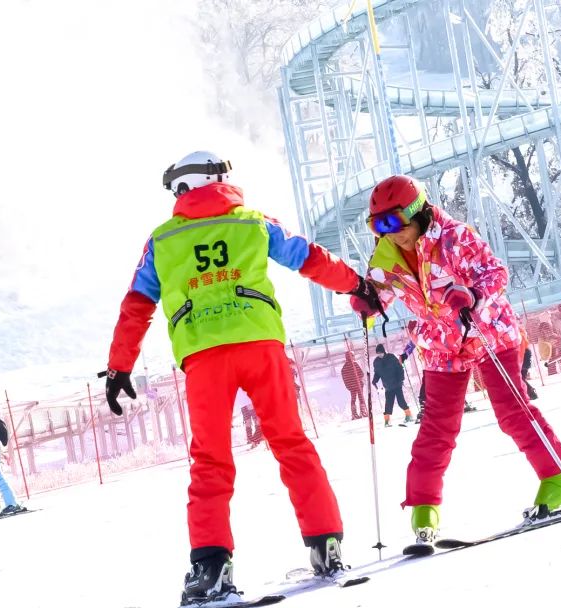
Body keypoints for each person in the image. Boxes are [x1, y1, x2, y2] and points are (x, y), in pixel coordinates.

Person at [102, 152, 380, 605]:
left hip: (204, 357)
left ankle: (212, 569)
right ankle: (326, 544)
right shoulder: (253, 223)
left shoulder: (162, 240)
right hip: (260, 346)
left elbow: (137, 303)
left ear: (185, 188)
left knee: (210, 460)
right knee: (290, 441)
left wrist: (120, 366)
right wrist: (356, 286)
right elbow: (308, 257)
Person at [349, 174, 561, 548]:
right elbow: (381, 292)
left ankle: (560, 479)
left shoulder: (455, 237)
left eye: (395, 223)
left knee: (512, 410)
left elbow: (496, 273)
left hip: (486, 330)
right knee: (437, 427)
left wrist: (471, 294)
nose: (392, 234)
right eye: (379, 226)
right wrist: (370, 304)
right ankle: (423, 504)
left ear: (418, 212)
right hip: (441, 344)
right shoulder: (385, 254)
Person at [372, 344, 414, 426]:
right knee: (388, 404)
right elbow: (377, 373)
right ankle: (387, 421)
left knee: (401, 401)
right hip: (388, 386)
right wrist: (375, 380)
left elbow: (399, 368)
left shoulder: (391, 357)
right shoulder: (376, 362)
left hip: (397, 384)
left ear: (384, 351)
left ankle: (409, 415)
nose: (379, 354)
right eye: (378, 353)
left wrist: (401, 379)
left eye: (381, 353)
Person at [340, 350, 366, 420]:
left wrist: (348, 386)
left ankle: (354, 414)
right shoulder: (355, 365)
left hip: (351, 387)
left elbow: (344, 378)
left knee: (353, 399)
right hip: (358, 385)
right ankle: (363, 412)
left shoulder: (344, 368)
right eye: (353, 356)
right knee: (361, 398)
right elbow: (361, 374)